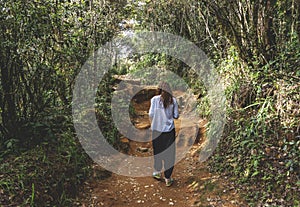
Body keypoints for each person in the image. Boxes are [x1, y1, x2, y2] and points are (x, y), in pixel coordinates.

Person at [148, 81, 179, 187]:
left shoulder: (154, 100)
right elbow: (176, 116)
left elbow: (151, 114)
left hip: (156, 130)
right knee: (169, 154)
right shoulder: (173, 100)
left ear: (159, 89)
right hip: (169, 131)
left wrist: (154, 123)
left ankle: (157, 172)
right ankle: (167, 178)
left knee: (158, 151)